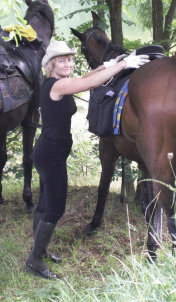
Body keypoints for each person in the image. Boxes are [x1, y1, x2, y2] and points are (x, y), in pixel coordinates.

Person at [25, 40, 149, 279]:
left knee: (45, 203)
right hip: (51, 154)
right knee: (55, 208)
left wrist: (107, 65)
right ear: (50, 65)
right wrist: (124, 63)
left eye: (70, 59)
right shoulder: (57, 85)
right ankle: (35, 260)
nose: (68, 63)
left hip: (49, 151)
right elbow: (88, 83)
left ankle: (39, 250)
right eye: (62, 60)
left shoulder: (55, 83)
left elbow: (87, 77)